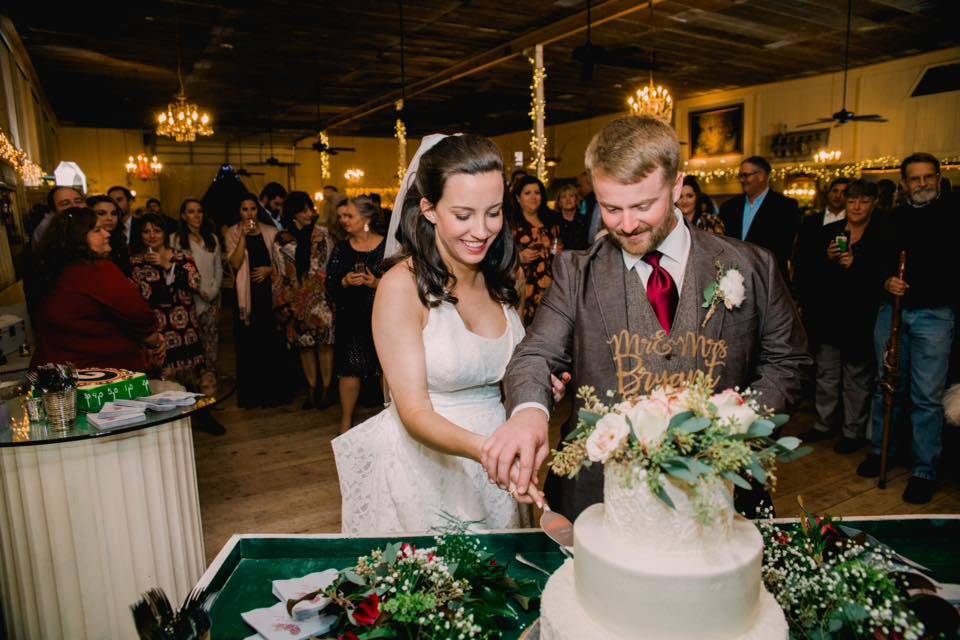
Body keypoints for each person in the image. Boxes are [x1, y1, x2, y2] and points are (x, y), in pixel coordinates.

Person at [485, 115, 811, 521]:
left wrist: (734, 430)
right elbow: (534, 355)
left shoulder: (752, 265)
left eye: (643, 205)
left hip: (721, 489)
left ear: (676, 186)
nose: (626, 224)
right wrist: (528, 412)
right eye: (610, 208)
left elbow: (787, 362)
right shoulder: (576, 272)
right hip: (600, 494)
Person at [332, 134, 561, 533]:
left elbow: (509, 375)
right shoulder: (402, 286)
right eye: (463, 214)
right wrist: (488, 450)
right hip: (427, 468)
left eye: (493, 213)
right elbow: (414, 411)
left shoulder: (504, 277)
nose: (481, 230)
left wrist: (534, 396)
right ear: (429, 209)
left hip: (500, 458)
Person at [857, 153, 959, 504]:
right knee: (886, 385)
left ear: (938, 178)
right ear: (904, 184)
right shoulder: (890, 219)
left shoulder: (953, 214)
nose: (922, 185)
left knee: (926, 397)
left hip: (935, 315)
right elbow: (871, 263)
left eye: (928, 177)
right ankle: (880, 451)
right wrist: (886, 281)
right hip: (892, 312)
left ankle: (924, 470)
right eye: (915, 179)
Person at [800, 181, 885, 454]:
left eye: (863, 201)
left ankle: (852, 431)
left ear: (873, 203)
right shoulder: (829, 232)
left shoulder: (881, 234)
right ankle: (825, 423)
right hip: (829, 316)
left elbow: (882, 279)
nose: (857, 207)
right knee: (826, 374)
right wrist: (825, 258)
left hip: (861, 317)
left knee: (856, 378)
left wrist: (856, 266)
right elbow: (808, 272)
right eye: (851, 201)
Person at [30, 207, 163, 370]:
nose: (107, 234)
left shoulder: (53, 269)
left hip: (56, 372)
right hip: (95, 375)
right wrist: (154, 341)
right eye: (97, 230)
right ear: (78, 237)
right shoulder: (95, 270)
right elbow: (138, 314)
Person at [326, 197, 385, 433]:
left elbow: (403, 282)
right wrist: (344, 280)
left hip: (381, 316)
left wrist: (376, 283)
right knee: (349, 369)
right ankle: (346, 422)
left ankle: (393, 419)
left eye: (349, 216)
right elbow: (329, 284)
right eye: (341, 217)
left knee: (387, 367)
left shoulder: (387, 246)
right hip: (350, 317)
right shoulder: (341, 248)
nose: (343, 221)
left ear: (366, 218)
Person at [226, 194, 291, 408]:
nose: (249, 213)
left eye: (252, 209)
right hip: (246, 297)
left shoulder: (271, 232)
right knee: (248, 346)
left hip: (269, 295)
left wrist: (269, 269)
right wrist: (243, 237)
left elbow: (284, 264)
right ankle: (252, 396)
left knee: (270, 344)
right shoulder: (233, 233)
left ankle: (273, 394)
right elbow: (235, 264)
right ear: (239, 212)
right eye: (245, 209)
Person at [274, 191, 336, 410]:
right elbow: (279, 273)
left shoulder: (323, 234)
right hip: (296, 301)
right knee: (305, 347)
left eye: (310, 208)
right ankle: (312, 388)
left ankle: (327, 389)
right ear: (294, 214)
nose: (310, 213)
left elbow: (330, 266)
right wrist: (284, 303)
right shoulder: (282, 239)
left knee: (326, 345)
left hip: (321, 298)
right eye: (304, 210)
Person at [130, 213, 206, 382]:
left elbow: (194, 282)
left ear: (165, 233)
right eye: (146, 232)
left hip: (185, 329)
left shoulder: (182, 256)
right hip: (159, 330)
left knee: (192, 382)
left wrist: (166, 264)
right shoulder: (136, 261)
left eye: (157, 231)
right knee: (164, 385)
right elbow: (138, 297)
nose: (151, 236)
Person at [719, 156, 800, 281]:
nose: (742, 180)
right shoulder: (729, 207)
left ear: (762, 176)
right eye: (740, 175)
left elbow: (783, 247)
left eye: (746, 175)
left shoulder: (785, 206)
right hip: (735, 280)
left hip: (769, 278)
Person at [171, 199, 223, 385]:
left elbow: (218, 269)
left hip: (212, 298)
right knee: (193, 342)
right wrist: (200, 290)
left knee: (211, 340)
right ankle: (193, 381)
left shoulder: (212, 238)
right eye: (191, 212)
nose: (196, 215)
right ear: (184, 216)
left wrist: (213, 290)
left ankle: (209, 377)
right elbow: (179, 271)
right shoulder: (176, 240)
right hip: (190, 298)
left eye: (199, 211)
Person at [512, 175, 561, 325]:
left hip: (552, 289)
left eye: (537, 192)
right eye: (527, 193)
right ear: (518, 198)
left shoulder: (551, 222)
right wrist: (519, 257)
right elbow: (499, 258)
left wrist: (558, 252)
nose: (533, 197)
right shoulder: (511, 226)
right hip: (525, 292)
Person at [86, 195, 131, 275]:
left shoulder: (119, 240)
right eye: (101, 213)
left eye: (114, 213)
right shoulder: (86, 244)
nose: (109, 218)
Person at [553, 183, 589, 250]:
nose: (568, 199)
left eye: (571, 196)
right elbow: (553, 250)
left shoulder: (586, 220)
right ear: (559, 202)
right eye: (564, 197)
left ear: (576, 200)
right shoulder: (554, 222)